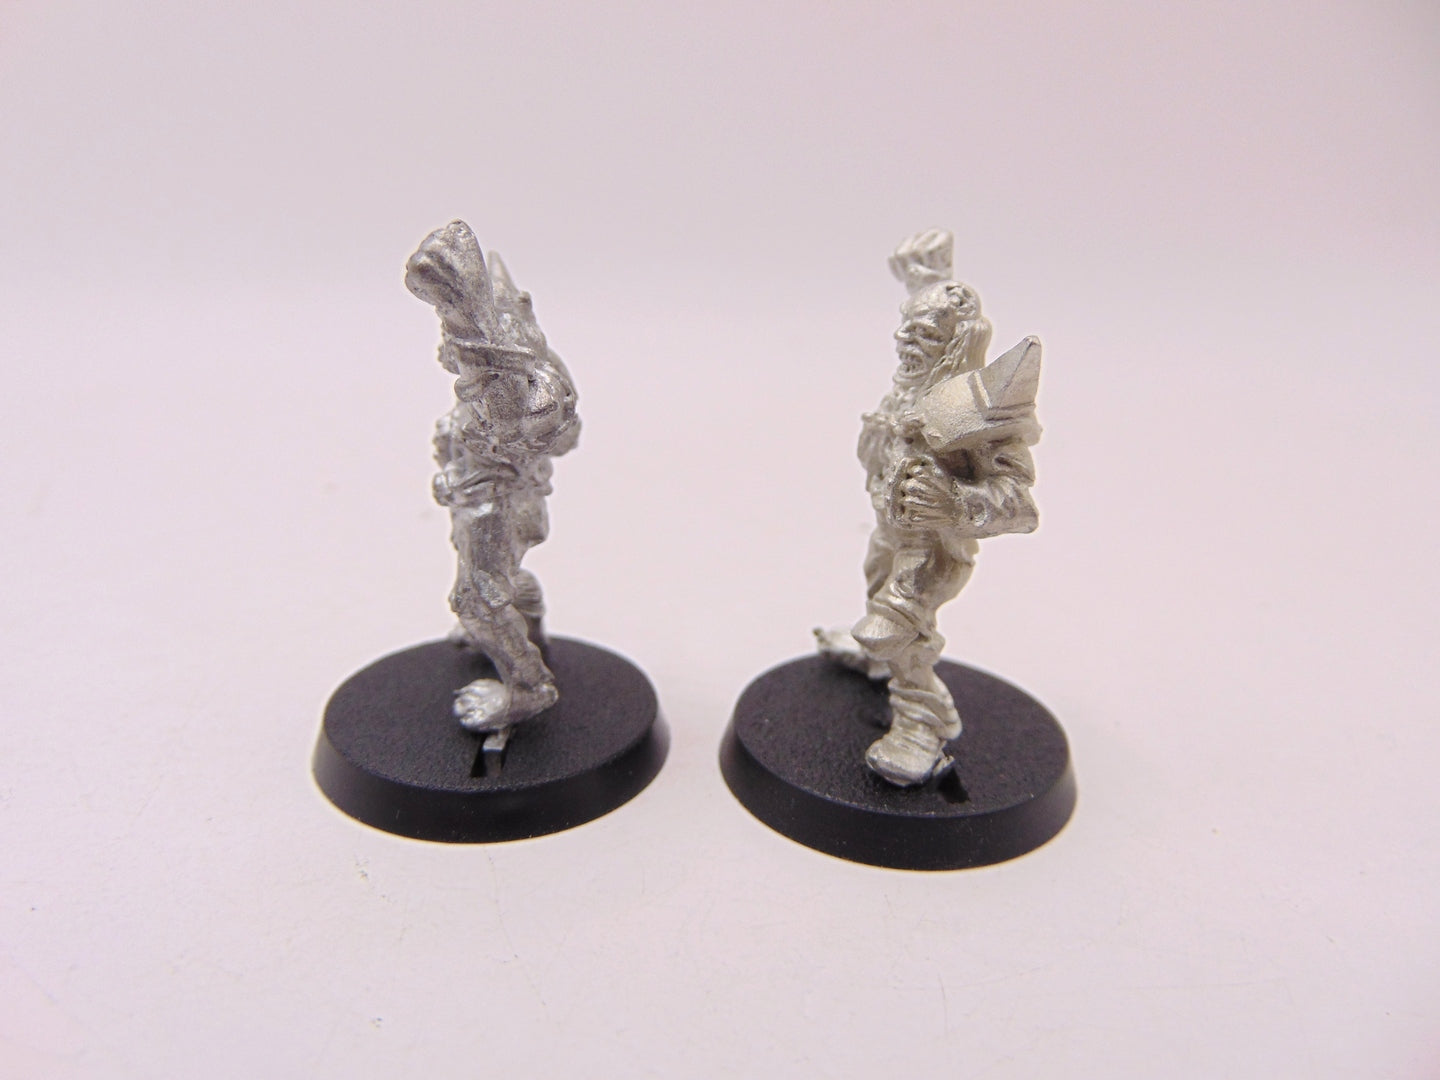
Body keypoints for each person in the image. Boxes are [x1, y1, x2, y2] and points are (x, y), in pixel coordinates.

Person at [819, 231, 1039, 786]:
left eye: (922, 333)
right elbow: (941, 305)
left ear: (953, 344)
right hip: (889, 529)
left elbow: (1019, 503)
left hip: (935, 550)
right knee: (877, 600)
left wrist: (954, 502)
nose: (904, 339)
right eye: (906, 326)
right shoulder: (912, 387)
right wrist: (928, 276)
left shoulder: (979, 413)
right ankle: (878, 658)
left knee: (901, 629)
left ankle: (921, 723)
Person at [405, 221, 579, 741]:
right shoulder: (489, 376)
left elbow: (531, 426)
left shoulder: (508, 379)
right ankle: (527, 627)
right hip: (479, 497)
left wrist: (463, 314)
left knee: (478, 599)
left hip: (495, 501)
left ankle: (527, 686)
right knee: (501, 578)